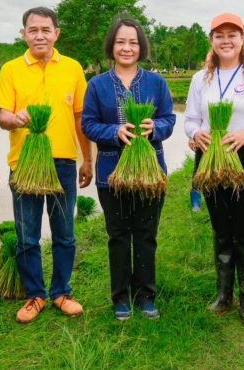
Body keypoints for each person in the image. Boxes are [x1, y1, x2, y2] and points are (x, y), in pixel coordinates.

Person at [0, 7, 93, 324]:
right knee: (27, 235)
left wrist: (87, 159)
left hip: (64, 162)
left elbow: (80, 118)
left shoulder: (74, 68)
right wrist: (16, 118)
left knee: (65, 234)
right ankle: (35, 296)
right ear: (24, 33)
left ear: (56, 33)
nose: (40, 35)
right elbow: (3, 117)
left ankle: (61, 292)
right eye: (33, 29)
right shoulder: (11, 69)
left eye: (46, 29)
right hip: (24, 164)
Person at [184, 13, 244, 323]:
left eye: (232, 35)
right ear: (212, 40)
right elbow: (189, 120)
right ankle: (223, 293)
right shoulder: (201, 78)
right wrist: (194, 133)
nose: (226, 40)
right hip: (209, 159)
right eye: (219, 35)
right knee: (220, 226)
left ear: (242, 40)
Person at [81, 18, 176, 321]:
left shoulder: (156, 83)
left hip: (150, 172)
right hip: (112, 173)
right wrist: (115, 132)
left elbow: (169, 120)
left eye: (133, 42)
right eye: (121, 41)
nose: (127, 47)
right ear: (112, 46)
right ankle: (121, 297)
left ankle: (145, 296)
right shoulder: (97, 85)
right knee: (118, 236)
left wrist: (155, 127)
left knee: (146, 235)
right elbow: (88, 125)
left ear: (141, 47)